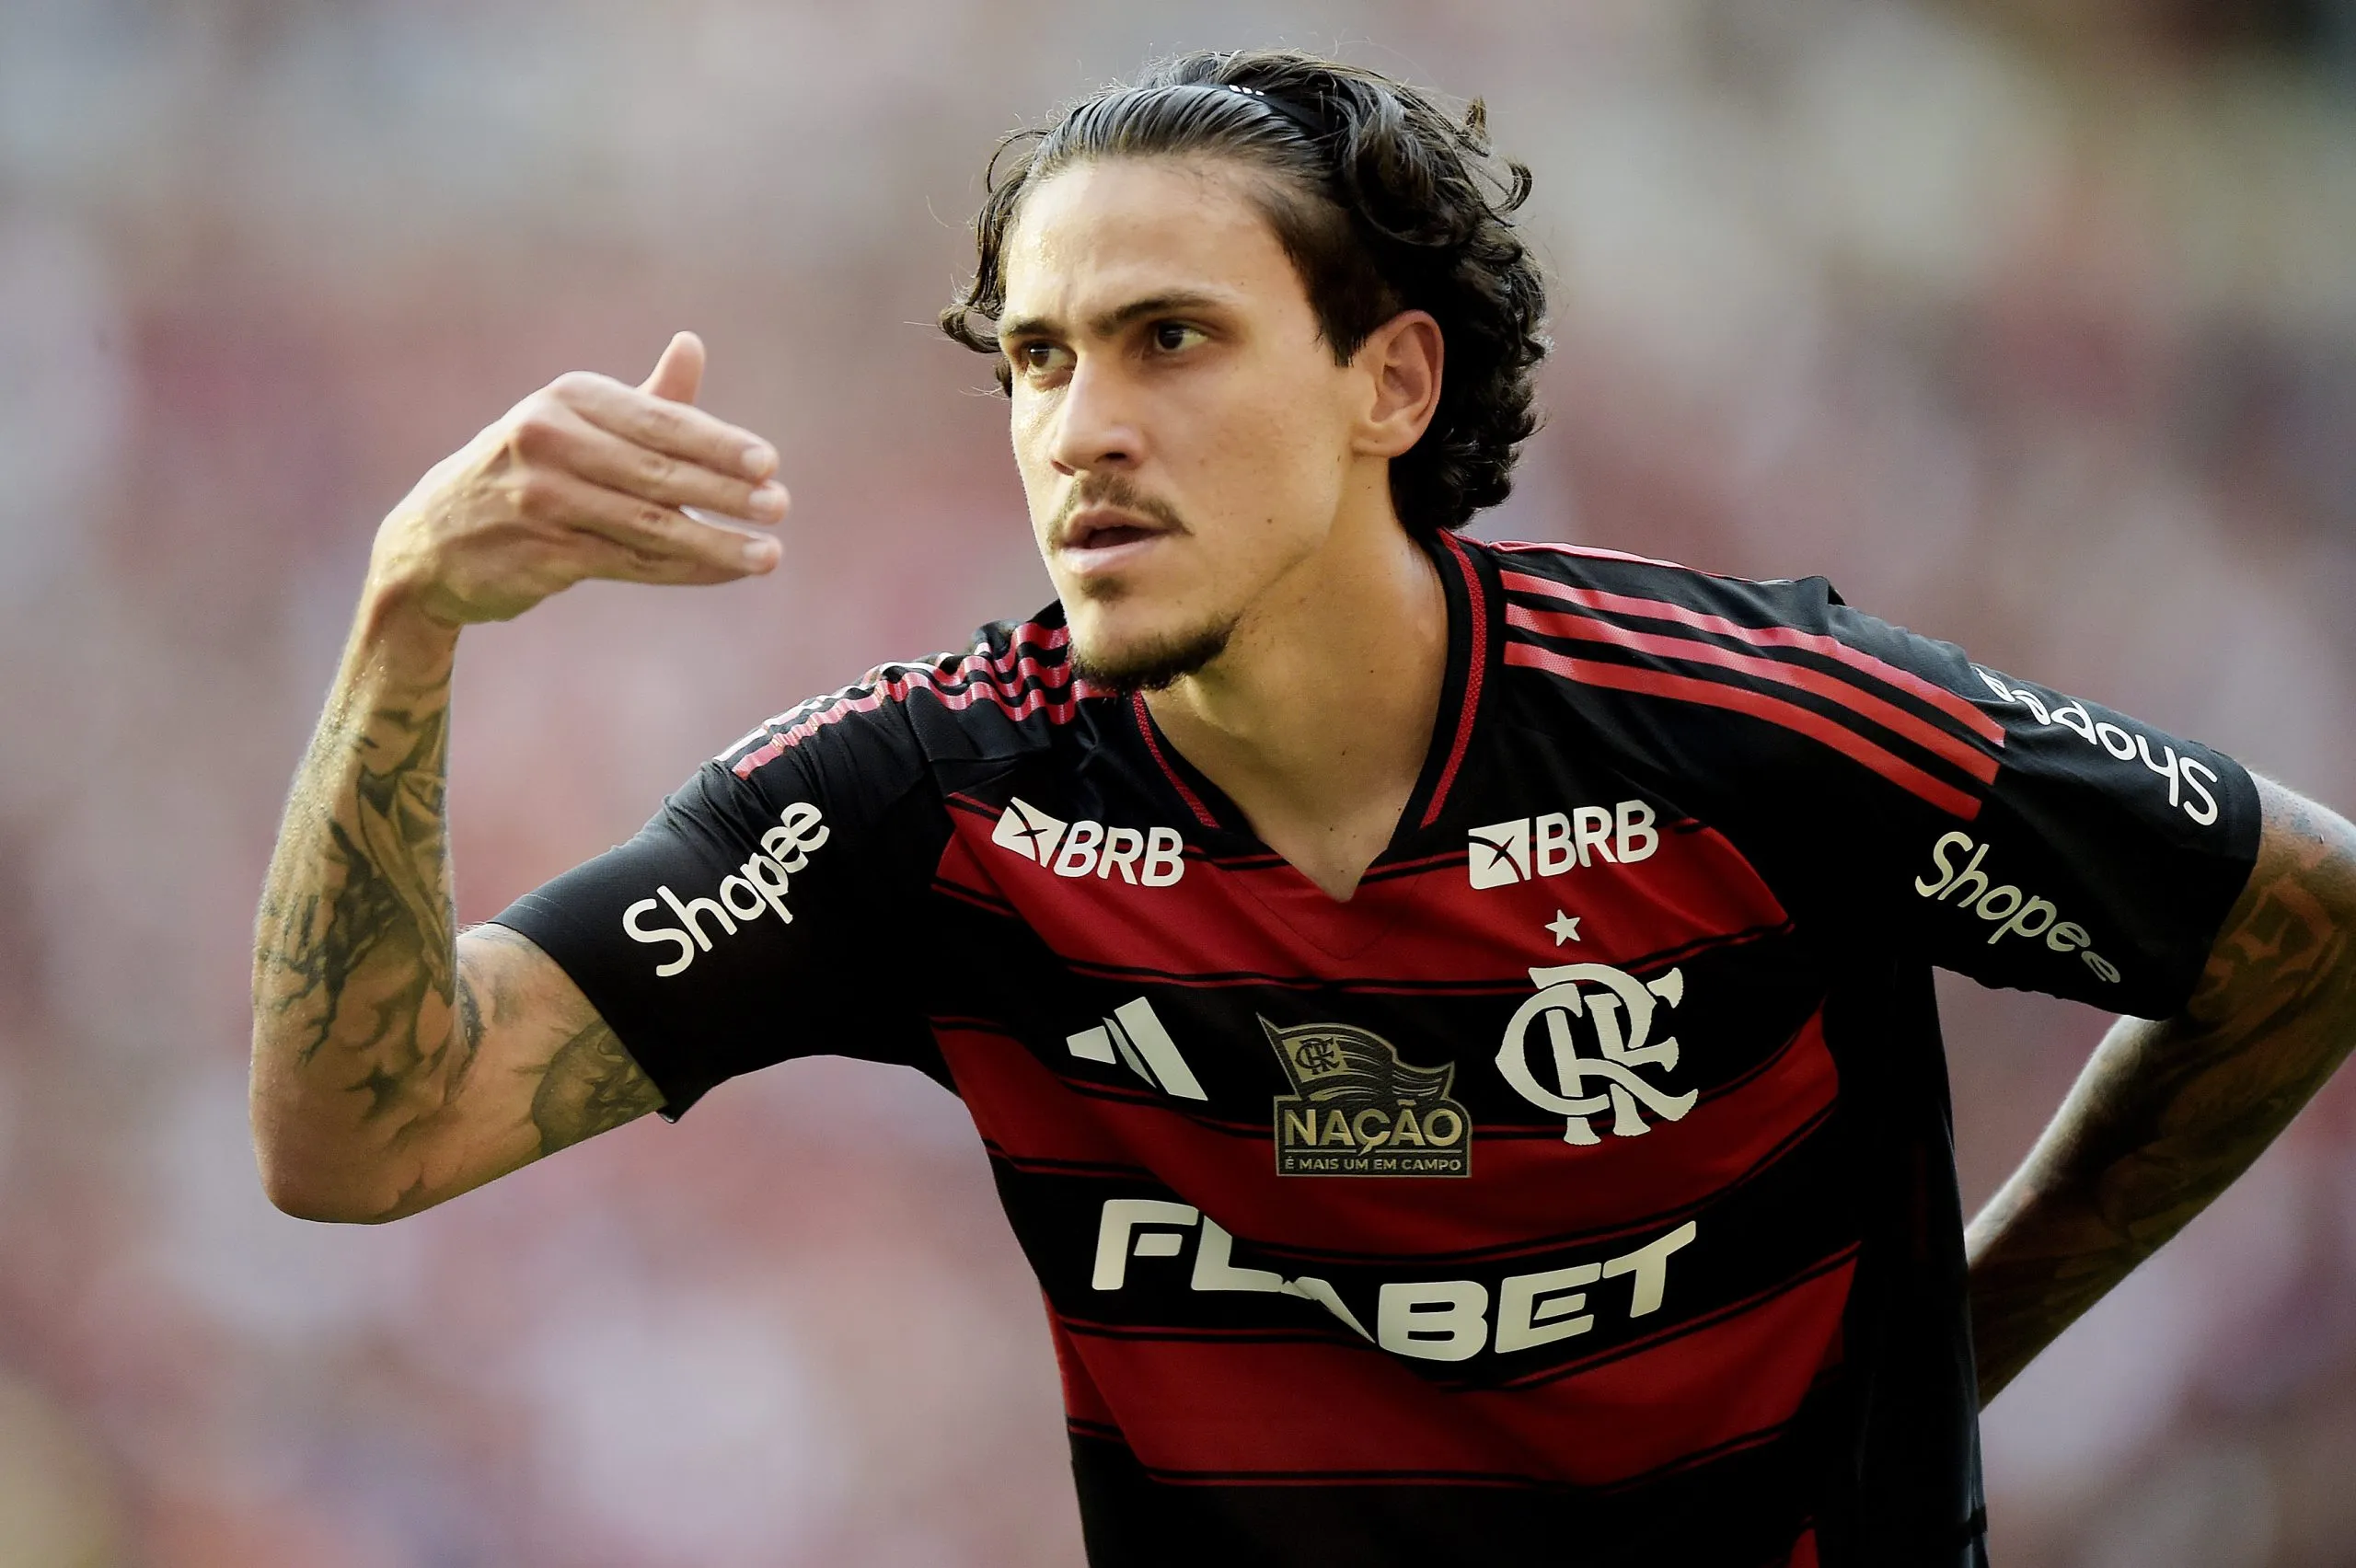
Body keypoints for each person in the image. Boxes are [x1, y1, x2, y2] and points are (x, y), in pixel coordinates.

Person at [248, 48, 2356, 1568]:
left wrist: (1969, 1333)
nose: (1082, 428)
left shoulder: (1753, 727)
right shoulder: (923, 801)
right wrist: (405, 620)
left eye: (1170, 340)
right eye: (1037, 359)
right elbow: (363, 1136)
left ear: (1390, 386)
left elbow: (2303, 916)